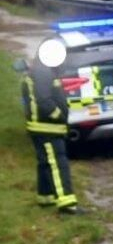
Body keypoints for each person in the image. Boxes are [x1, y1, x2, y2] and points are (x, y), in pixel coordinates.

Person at [18, 39, 79, 213]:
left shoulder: (40, 69)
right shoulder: (43, 72)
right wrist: (59, 116)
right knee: (58, 163)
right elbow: (44, 100)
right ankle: (67, 203)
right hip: (47, 127)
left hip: (40, 126)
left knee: (45, 163)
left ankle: (45, 197)